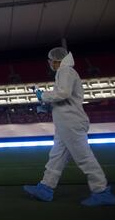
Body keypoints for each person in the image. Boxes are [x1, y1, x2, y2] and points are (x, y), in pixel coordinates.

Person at [23, 47, 115, 206]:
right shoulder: (66, 72)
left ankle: (101, 191)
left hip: (70, 122)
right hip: (66, 122)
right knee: (56, 157)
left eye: (50, 60)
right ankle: (46, 187)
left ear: (55, 60)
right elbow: (66, 99)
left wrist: (42, 96)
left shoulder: (65, 71)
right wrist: (48, 106)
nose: (49, 63)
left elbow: (63, 93)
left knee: (84, 157)